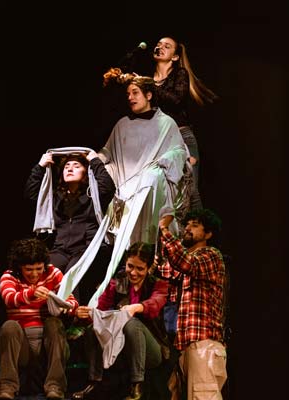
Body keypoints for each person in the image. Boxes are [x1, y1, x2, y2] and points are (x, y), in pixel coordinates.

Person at [80, 73, 189, 309]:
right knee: (126, 253)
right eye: (128, 94)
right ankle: (119, 299)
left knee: (151, 183)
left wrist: (162, 164)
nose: (130, 97)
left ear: (149, 95)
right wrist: (94, 159)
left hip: (149, 191)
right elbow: (108, 153)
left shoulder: (165, 124)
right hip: (126, 190)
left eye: (135, 93)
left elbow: (180, 152)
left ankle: (147, 297)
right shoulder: (122, 124)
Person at [71, 242, 171, 400]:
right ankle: (94, 382)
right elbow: (101, 310)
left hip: (151, 351)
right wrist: (85, 314)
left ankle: (137, 384)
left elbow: (155, 303)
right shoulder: (117, 282)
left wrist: (136, 307)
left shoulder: (158, 285)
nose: (134, 273)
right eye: (130, 266)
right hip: (119, 348)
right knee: (93, 328)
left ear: (149, 268)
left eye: (140, 269)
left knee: (131, 323)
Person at [24, 149, 116, 306]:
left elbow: (108, 188)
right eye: (67, 166)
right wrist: (40, 167)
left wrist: (94, 161)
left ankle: (72, 315)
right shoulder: (56, 197)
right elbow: (31, 195)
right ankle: (44, 312)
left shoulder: (92, 195)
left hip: (86, 249)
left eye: (76, 166)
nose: (70, 169)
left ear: (85, 172)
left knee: (72, 276)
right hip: (61, 249)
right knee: (45, 272)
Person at [0, 237, 79, 400]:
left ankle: (55, 387)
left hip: (48, 346)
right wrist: (31, 293)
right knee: (9, 326)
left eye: (38, 268)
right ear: (19, 267)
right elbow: (9, 298)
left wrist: (66, 306)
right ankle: (7, 387)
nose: (34, 274)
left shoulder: (53, 273)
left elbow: (72, 301)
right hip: (23, 347)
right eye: (29, 269)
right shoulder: (9, 276)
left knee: (54, 323)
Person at [157, 208, 227, 399]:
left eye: (195, 225)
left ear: (208, 234)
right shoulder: (184, 262)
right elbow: (165, 269)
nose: (187, 228)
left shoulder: (211, 256)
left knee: (202, 396)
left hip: (204, 344)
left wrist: (164, 229)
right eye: (186, 224)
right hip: (186, 345)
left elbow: (186, 263)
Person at [151, 35, 219, 211]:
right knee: (165, 191)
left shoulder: (179, 74)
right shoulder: (148, 79)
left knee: (191, 190)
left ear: (175, 57)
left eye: (167, 46)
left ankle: (198, 227)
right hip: (160, 140)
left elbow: (176, 100)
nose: (160, 47)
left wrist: (150, 87)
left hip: (182, 137)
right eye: (158, 44)